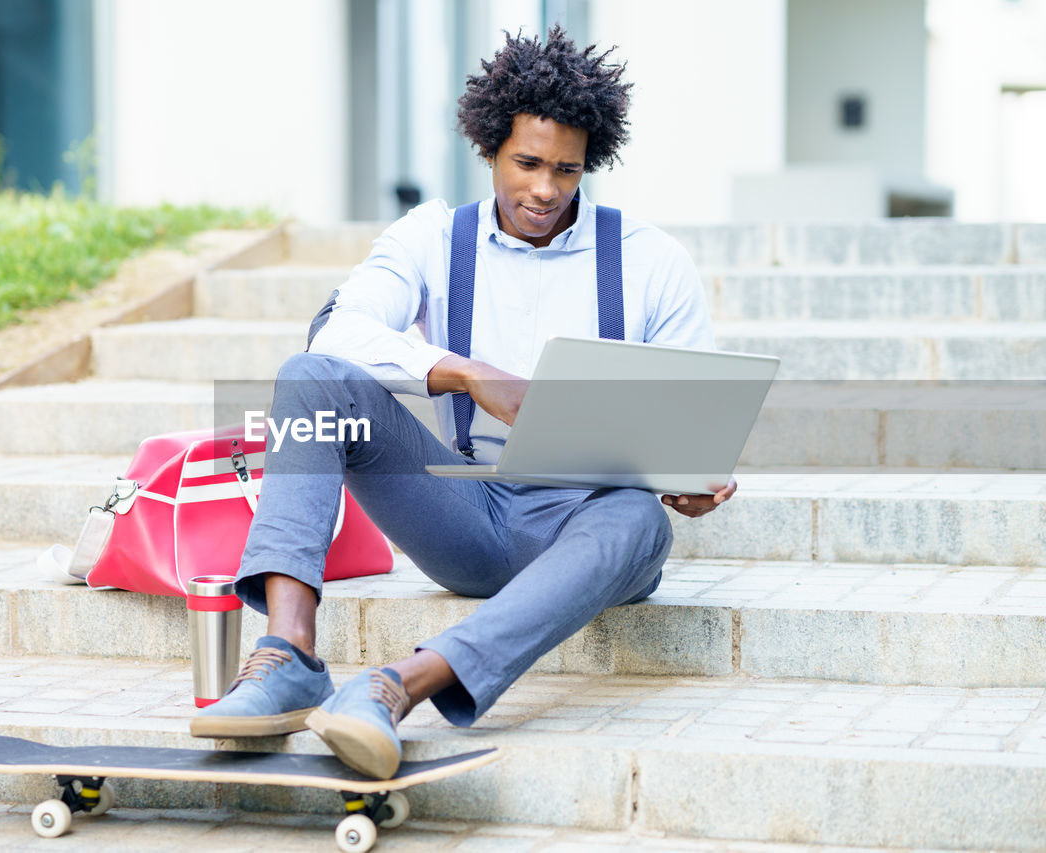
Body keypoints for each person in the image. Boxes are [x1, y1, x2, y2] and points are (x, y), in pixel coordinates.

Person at [189, 26, 735, 780]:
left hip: (587, 521)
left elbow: (692, 417)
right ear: (488, 150)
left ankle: (393, 686)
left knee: (640, 519)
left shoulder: (651, 261)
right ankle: (287, 654)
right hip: (466, 511)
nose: (545, 188)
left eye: (567, 170)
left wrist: (693, 475)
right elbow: (336, 329)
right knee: (311, 375)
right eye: (528, 163)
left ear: (591, 163)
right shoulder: (432, 238)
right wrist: (463, 372)